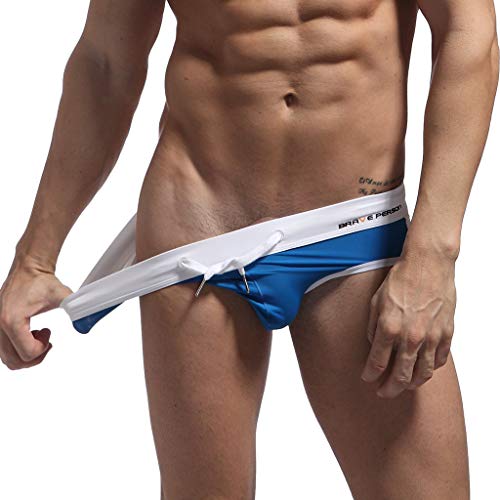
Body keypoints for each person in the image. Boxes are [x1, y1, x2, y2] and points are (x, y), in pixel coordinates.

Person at [0, 0, 498, 498]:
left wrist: (433, 256)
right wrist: (35, 258)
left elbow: (469, 33)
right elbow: (106, 62)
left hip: (358, 222)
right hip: (199, 221)